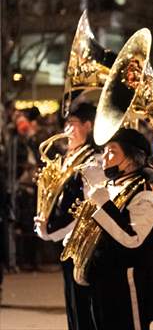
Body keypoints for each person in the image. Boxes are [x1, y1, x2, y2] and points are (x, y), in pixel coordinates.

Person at [86, 128, 153, 330]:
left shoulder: (145, 193)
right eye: (104, 150)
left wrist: (103, 204)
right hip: (104, 280)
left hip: (129, 283)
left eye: (111, 151)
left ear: (131, 159)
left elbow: (132, 238)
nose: (104, 156)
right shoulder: (112, 187)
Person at [34, 102, 103, 330]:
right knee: (74, 310)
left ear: (88, 126)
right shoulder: (71, 158)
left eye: (72, 125)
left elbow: (86, 209)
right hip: (67, 242)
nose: (67, 131)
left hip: (85, 246)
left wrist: (51, 231)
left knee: (85, 311)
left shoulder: (93, 162)